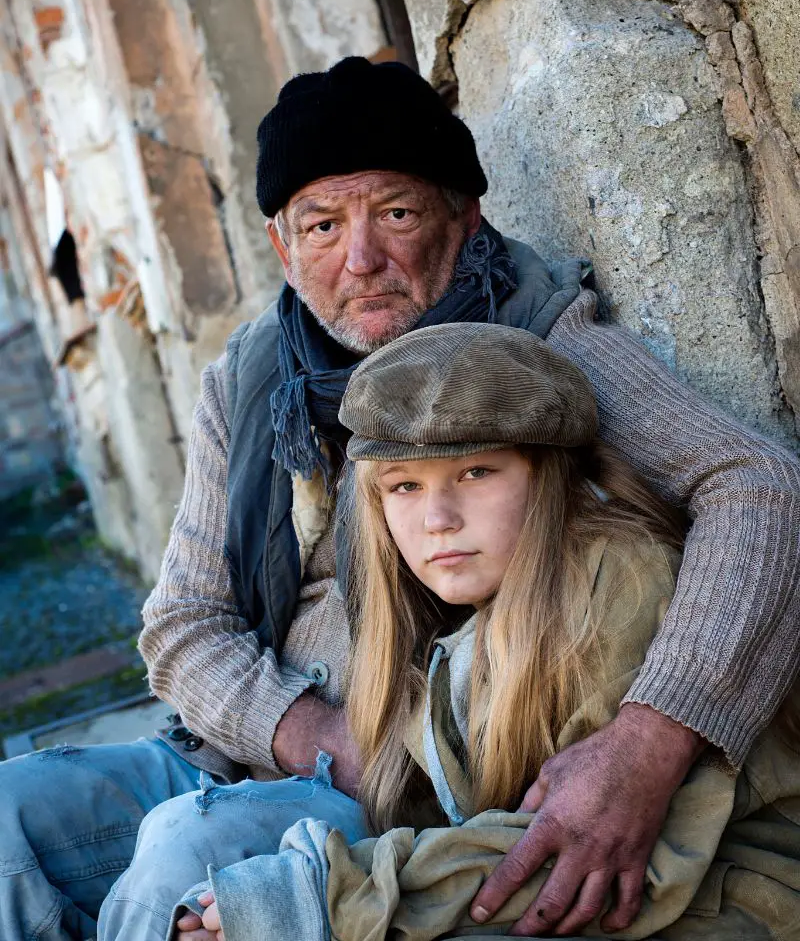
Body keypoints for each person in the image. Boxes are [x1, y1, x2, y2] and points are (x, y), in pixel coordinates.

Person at [2, 54, 800, 941]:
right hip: (265, 751)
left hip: (418, 792)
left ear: (465, 217)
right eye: (321, 226)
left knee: (186, 855)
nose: (362, 259)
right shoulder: (251, 377)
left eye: (395, 213)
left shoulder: (537, 347)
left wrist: (652, 741)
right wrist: (319, 736)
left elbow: (758, 487)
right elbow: (185, 624)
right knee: (11, 821)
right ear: (281, 246)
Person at [186, 323, 800, 941]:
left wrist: (332, 896)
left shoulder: (619, 582)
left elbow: (577, 852)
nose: (438, 519)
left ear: (549, 477)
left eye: (477, 472)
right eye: (405, 485)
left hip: (731, 896)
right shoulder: (454, 623)